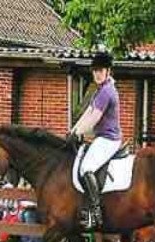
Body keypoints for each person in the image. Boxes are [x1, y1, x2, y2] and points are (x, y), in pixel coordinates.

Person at [67, 50, 122, 230]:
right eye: (95, 71)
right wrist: (73, 130)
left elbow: (94, 118)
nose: (97, 74)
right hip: (102, 138)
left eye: (101, 71)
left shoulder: (107, 91)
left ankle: (95, 212)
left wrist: (78, 133)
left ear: (108, 72)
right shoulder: (99, 90)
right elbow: (87, 113)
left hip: (109, 139)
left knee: (86, 167)